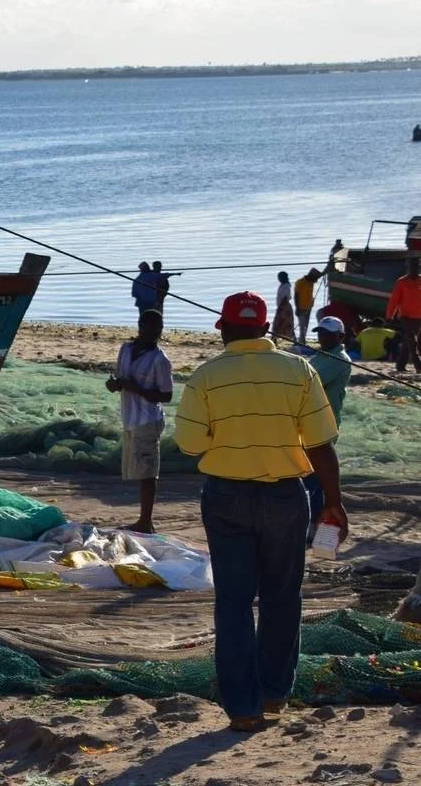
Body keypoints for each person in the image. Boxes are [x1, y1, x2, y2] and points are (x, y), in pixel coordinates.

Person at [173, 291, 345, 732]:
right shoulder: (298, 369)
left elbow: (190, 445)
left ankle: (244, 709)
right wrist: (334, 503)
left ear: (226, 329)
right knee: (282, 598)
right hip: (288, 498)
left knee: (233, 602)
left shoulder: (206, 376)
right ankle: (273, 696)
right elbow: (321, 444)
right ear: (265, 328)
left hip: (227, 497)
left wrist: (229, 437)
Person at [106, 309, 174, 534]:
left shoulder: (160, 359)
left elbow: (166, 395)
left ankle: (146, 521)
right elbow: (119, 379)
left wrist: (137, 388)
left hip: (148, 419)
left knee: (147, 471)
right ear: (140, 326)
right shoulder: (125, 350)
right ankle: (144, 520)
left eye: (158, 329)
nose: (155, 332)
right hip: (130, 418)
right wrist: (114, 385)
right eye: (150, 327)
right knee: (139, 469)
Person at [302, 316, 352, 540]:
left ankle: (315, 526)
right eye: (320, 332)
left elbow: (310, 382)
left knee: (315, 479)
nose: (322, 336)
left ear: (340, 336)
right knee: (310, 477)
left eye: (327, 333)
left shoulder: (339, 359)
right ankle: (312, 524)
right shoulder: (321, 356)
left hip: (323, 425)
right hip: (308, 424)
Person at [386, 257, 421, 373]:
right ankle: (418, 365)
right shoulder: (401, 282)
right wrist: (390, 315)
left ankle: (400, 365)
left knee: (408, 341)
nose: (414, 270)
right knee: (412, 340)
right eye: (412, 267)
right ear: (408, 268)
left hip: (419, 317)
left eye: (416, 267)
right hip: (406, 316)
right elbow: (394, 300)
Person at [294, 268, 321, 344]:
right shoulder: (300, 282)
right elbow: (296, 296)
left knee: (306, 326)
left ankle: (302, 341)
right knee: (302, 327)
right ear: (311, 276)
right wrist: (297, 308)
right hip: (301, 308)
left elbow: (320, 275)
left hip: (309, 308)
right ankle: (301, 343)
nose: (316, 281)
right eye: (315, 279)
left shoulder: (311, 281)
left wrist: (328, 269)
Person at [272, 271, 295, 340]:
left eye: (280, 277)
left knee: (283, 324)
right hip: (282, 306)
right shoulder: (282, 285)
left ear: (283, 278)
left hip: (284, 307)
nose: (279, 279)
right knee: (279, 324)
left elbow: (285, 298)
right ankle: (274, 339)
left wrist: (281, 308)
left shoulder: (286, 286)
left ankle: (274, 338)